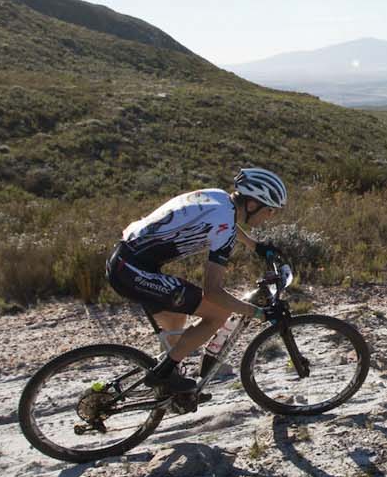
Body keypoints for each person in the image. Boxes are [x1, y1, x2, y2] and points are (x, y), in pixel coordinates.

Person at [104, 166, 288, 393]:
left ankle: (169, 387)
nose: (271, 216)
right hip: (133, 271)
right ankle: (164, 375)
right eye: (269, 210)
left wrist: (255, 246)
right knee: (218, 313)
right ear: (252, 205)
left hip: (125, 261)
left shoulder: (220, 197)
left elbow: (224, 221)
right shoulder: (226, 229)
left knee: (176, 321)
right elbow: (213, 292)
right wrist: (258, 313)